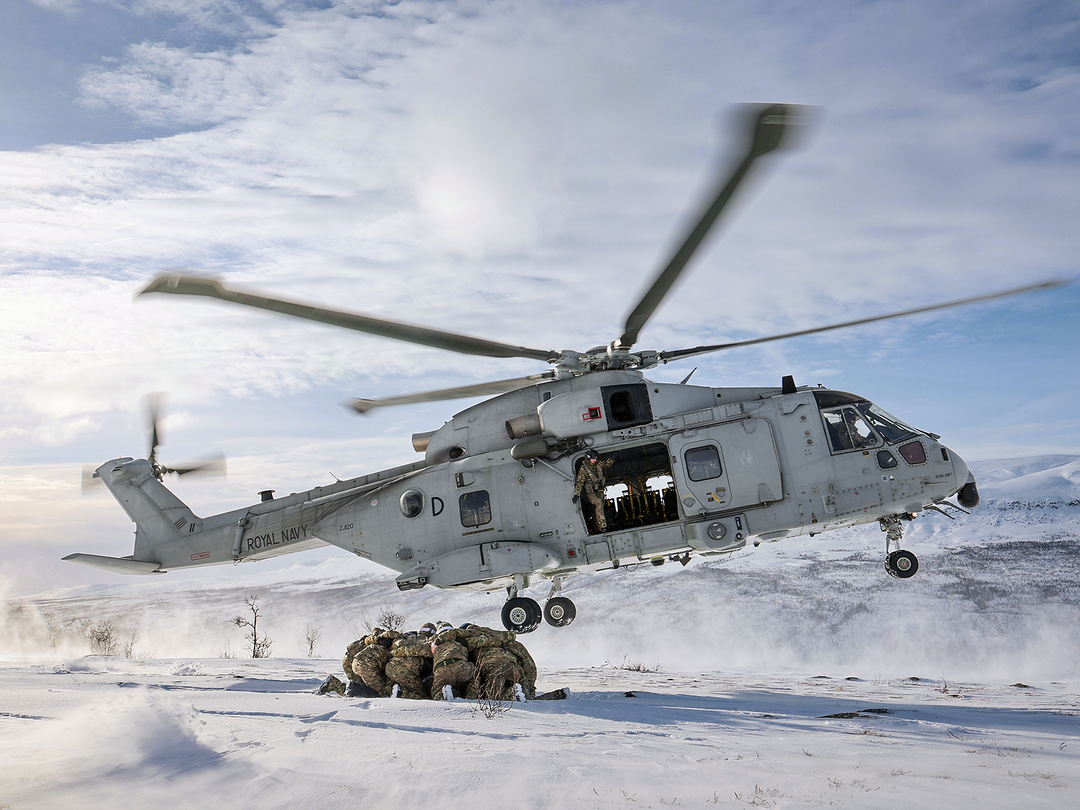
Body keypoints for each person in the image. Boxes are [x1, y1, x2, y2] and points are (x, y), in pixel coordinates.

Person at [573, 449, 615, 532]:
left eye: (595, 459)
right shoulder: (584, 469)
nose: (594, 461)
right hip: (591, 492)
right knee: (599, 504)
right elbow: (580, 482)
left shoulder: (598, 464)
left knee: (601, 506)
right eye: (593, 459)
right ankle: (603, 526)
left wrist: (612, 458)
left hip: (599, 490)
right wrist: (577, 494)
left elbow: (606, 465)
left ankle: (598, 527)